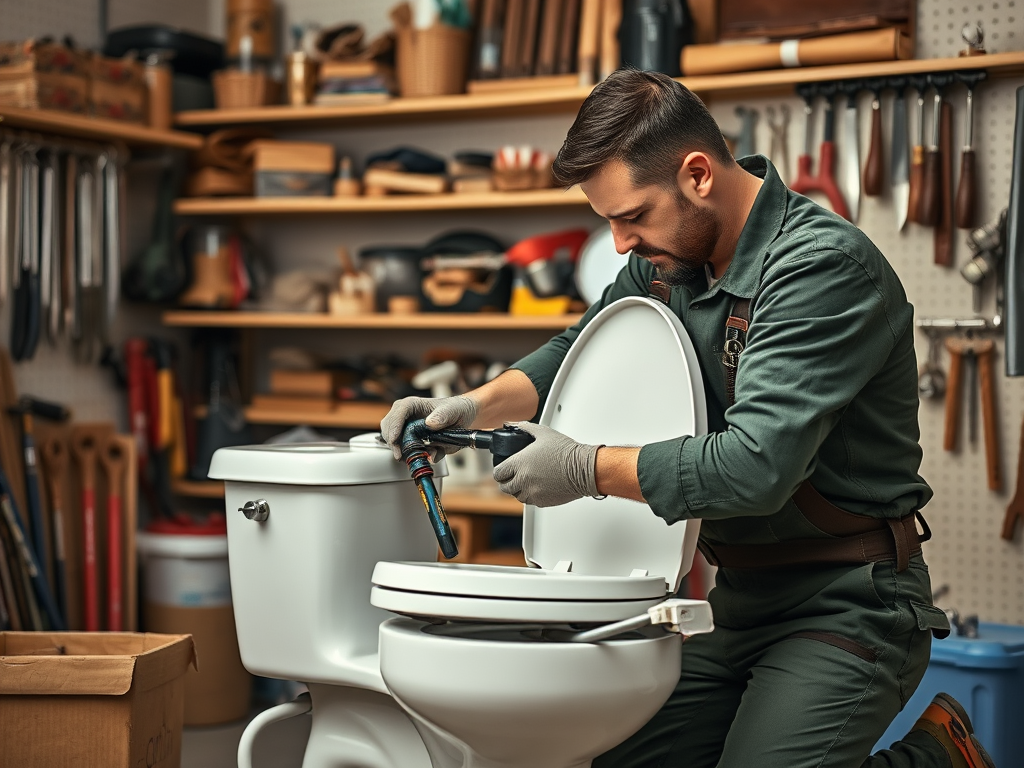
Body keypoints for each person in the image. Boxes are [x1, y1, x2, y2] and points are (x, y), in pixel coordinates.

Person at [380, 68, 996, 768]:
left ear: (698, 174)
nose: (618, 244)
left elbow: (756, 468)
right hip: (734, 598)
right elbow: (577, 348)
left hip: (850, 600)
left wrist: (584, 468)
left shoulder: (820, 270)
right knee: (616, 757)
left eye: (632, 216)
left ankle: (939, 756)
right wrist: (472, 403)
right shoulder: (674, 261)